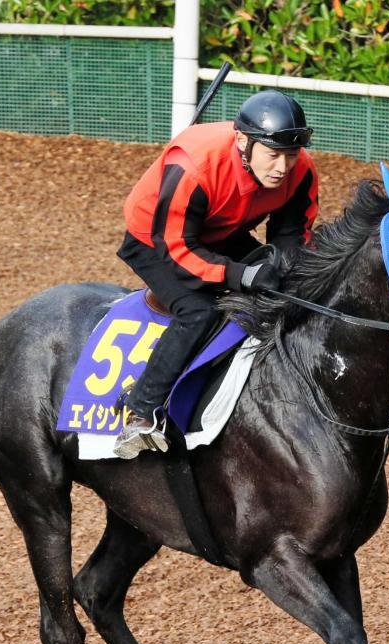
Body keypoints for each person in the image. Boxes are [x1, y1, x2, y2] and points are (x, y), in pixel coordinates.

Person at [112, 89, 319, 459]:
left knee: (289, 291)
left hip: (220, 230)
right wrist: (242, 275)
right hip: (156, 239)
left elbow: (291, 236)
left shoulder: (299, 170)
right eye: (272, 155)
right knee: (200, 311)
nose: (282, 168)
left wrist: (280, 272)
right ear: (242, 140)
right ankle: (140, 409)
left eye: (290, 156)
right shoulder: (193, 165)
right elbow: (176, 247)